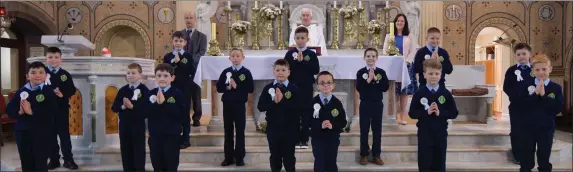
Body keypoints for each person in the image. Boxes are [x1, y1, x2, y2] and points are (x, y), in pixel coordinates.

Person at [7, 61, 58, 171]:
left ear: (45, 76)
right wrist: (19, 112)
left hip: (41, 132)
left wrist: (31, 112)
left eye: (40, 72)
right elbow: (10, 109)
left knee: (40, 162)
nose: (37, 75)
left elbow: (52, 111)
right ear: (27, 76)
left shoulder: (48, 92)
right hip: (23, 131)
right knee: (26, 162)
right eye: (33, 72)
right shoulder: (21, 91)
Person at [409, 58, 459, 172]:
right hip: (424, 133)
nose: (434, 76)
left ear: (441, 75)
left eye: (437, 73)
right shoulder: (419, 93)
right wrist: (426, 113)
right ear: (424, 75)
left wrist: (440, 113)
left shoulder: (445, 93)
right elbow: (412, 113)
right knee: (424, 163)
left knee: (439, 163)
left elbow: (454, 113)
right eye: (430, 73)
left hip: (440, 133)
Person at [518, 54, 563, 172]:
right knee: (526, 159)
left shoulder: (556, 88)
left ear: (550, 69)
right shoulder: (525, 86)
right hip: (527, 128)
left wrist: (544, 96)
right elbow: (521, 106)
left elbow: (557, 108)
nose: (541, 72)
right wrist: (535, 95)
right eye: (537, 69)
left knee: (544, 157)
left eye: (544, 69)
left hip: (546, 128)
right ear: (533, 71)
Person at [257, 59, 301, 172]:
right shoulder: (268, 88)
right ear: (273, 72)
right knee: (275, 156)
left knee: (289, 157)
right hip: (273, 128)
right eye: (277, 70)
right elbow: (261, 106)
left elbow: (298, 107)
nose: (280, 72)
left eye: (283, 70)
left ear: (288, 72)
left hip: (289, 129)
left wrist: (282, 101)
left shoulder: (293, 88)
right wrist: (274, 102)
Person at [216, 48, 254, 167]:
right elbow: (219, 88)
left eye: (238, 56)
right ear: (230, 58)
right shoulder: (225, 72)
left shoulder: (246, 72)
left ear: (243, 58)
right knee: (228, 130)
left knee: (240, 131)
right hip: (227, 104)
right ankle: (228, 157)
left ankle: (239, 157)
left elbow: (250, 88)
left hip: (239, 104)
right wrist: (228, 87)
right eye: (233, 56)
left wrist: (237, 86)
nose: (236, 58)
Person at [284, 26, 320, 149]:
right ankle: (294, 139)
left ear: (307, 39)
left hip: (306, 87)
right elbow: (285, 70)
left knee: (305, 113)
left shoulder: (311, 54)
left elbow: (316, 69)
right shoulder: (289, 54)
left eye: (302, 38)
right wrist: (296, 62)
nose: (300, 40)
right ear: (294, 39)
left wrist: (303, 61)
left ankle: (304, 139)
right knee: (293, 113)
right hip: (293, 87)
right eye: (298, 38)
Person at [147, 63, 186, 171]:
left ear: (172, 78)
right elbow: (146, 112)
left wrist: (164, 103)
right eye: (159, 76)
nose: (162, 78)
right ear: (155, 78)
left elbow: (181, 114)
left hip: (171, 136)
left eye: (165, 76)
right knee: (157, 165)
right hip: (155, 136)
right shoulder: (151, 93)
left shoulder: (177, 93)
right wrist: (157, 104)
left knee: (171, 165)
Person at [45, 47, 79, 170]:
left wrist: (62, 94)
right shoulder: (42, 73)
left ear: (61, 59)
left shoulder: (65, 74)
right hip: (46, 110)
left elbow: (72, 89)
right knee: (50, 135)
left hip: (61, 109)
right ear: (46, 59)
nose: (53, 60)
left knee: (64, 136)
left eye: (56, 57)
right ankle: (54, 159)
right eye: (50, 57)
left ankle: (68, 160)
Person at [111, 63, 150, 171]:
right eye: (128, 73)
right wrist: (123, 106)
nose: (130, 75)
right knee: (125, 149)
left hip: (138, 125)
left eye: (133, 73)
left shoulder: (144, 90)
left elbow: (147, 110)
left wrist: (132, 107)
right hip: (124, 124)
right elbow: (114, 108)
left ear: (140, 75)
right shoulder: (123, 90)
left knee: (138, 149)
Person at [382, 14, 419, 125]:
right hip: (392, 66)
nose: (400, 23)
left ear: (405, 23)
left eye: (402, 21)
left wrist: (407, 62)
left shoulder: (410, 36)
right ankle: (392, 115)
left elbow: (413, 51)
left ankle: (403, 116)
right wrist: (391, 60)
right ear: (395, 22)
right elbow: (384, 50)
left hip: (406, 66)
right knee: (393, 91)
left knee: (404, 92)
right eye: (398, 21)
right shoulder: (389, 36)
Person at [502, 43, 535, 165]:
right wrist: (517, 98)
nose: (522, 57)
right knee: (517, 130)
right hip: (517, 106)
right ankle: (518, 155)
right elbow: (507, 87)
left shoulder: (535, 69)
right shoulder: (511, 71)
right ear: (515, 56)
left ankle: (529, 154)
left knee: (530, 131)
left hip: (532, 107)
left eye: (524, 54)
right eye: (518, 54)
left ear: (529, 54)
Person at [356, 48, 389, 165]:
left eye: (373, 56)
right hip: (365, 103)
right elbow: (359, 87)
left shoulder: (381, 72)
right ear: (364, 58)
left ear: (377, 58)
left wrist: (376, 80)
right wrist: (369, 80)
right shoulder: (360, 72)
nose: (371, 58)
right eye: (368, 56)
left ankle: (376, 154)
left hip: (377, 104)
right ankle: (364, 154)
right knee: (364, 129)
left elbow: (385, 87)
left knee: (377, 130)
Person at [163, 31, 196, 149]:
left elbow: (191, 71)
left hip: (184, 89)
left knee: (184, 114)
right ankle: (173, 138)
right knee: (172, 113)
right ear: (172, 41)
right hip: (171, 89)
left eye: (181, 41)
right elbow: (164, 71)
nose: (178, 43)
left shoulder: (188, 57)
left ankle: (186, 139)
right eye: (176, 41)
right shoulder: (168, 57)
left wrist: (179, 63)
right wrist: (173, 63)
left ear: (185, 43)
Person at [310, 71, 347, 172]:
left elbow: (343, 122)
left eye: (328, 82)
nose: (325, 85)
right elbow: (308, 121)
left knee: (331, 163)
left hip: (332, 139)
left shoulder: (337, 103)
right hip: (318, 139)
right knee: (319, 163)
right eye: (322, 83)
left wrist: (332, 125)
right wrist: (320, 125)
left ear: (333, 85)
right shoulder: (313, 102)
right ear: (317, 86)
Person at [182, 11, 207, 127]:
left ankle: (196, 118)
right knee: (183, 95)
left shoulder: (202, 36)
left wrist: (189, 61)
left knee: (196, 95)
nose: (189, 20)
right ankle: (184, 118)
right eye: (186, 18)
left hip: (195, 70)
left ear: (195, 20)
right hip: (182, 70)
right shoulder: (180, 34)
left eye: (191, 18)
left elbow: (201, 52)